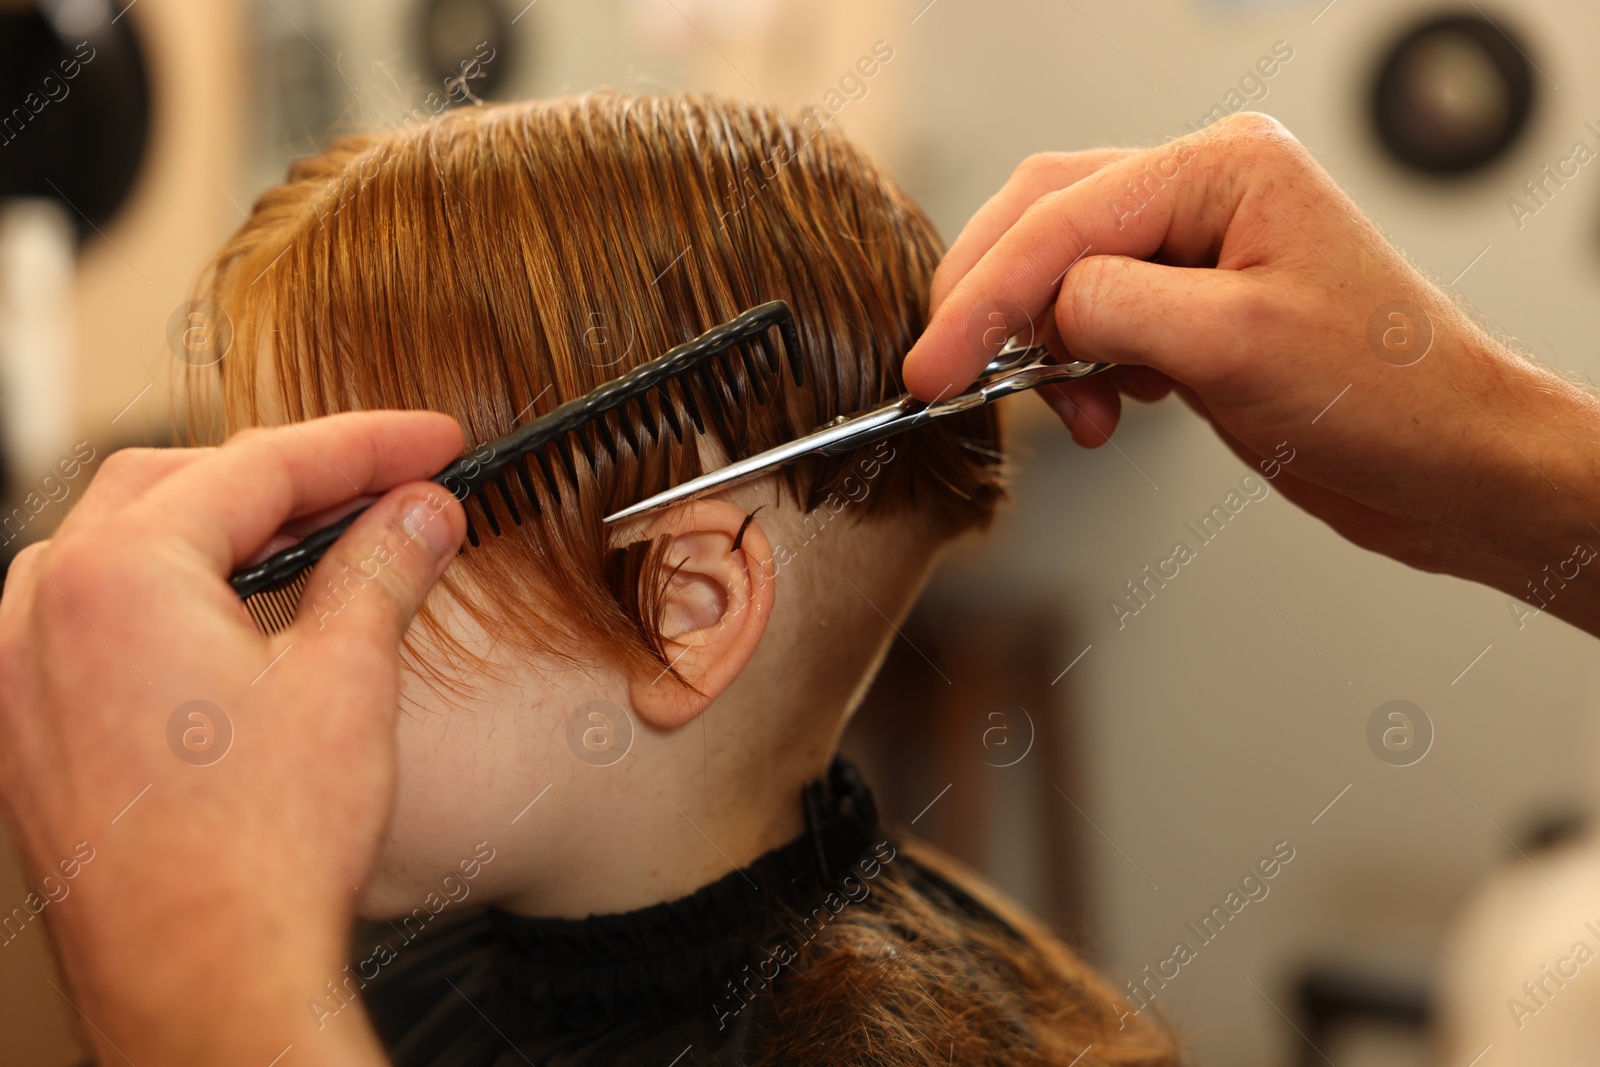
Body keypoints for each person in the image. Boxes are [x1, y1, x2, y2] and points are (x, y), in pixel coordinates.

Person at [1, 108, 1596, 1065]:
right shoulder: (400, 985)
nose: (244, 615)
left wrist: (197, 985)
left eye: (309, 551)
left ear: (685, 606)